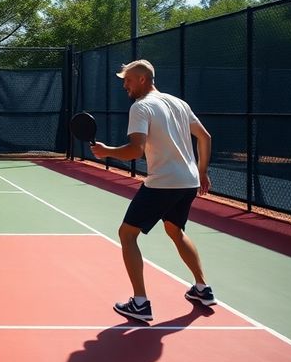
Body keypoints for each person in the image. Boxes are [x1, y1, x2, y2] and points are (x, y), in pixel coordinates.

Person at [89, 59, 216, 322]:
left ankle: (140, 303)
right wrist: (202, 171)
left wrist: (106, 152)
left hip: (163, 182)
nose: (125, 85)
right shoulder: (179, 103)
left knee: (127, 234)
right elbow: (205, 137)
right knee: (175, 230)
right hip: (188, 182)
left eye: (128, 80)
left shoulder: (141, 106)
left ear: (143, 79)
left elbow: (135, 150)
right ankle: (202, 289)